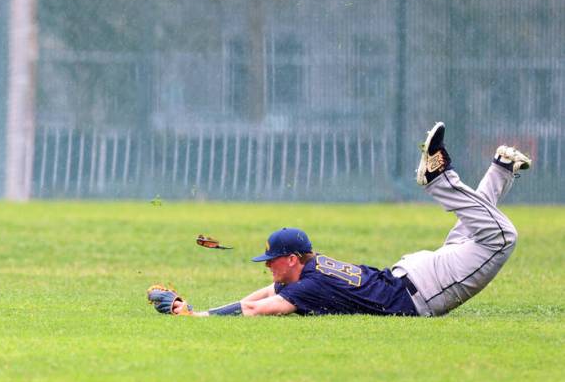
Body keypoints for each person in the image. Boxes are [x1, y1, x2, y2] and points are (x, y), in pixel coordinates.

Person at [149, 122, 530, 317]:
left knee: (501, 236)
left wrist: (195, 318)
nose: (267, 268)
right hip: (411, 275)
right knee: (483, 231)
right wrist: (200, 311)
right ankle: (500, 170)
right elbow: (263, 296)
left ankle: (440, 180)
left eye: (272, 261)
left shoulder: (307, 289)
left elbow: (255, 308)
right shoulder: (312, 271)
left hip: (421, 292)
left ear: (294, 260)